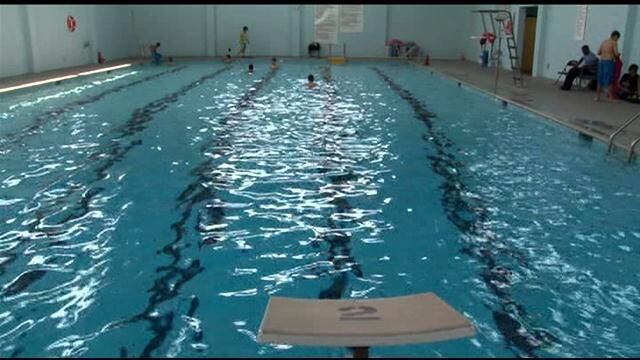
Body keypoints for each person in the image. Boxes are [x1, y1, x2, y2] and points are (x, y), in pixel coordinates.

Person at [595, 30, 621, 101]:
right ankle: (611, 97)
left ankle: (597, 96)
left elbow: (598, 52)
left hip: (601, 61)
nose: (617, 39)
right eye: (617, 38)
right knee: (609, 79)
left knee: (600, 79)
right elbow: (616, 53)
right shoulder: (614, 42)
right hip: (609, 62)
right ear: (615, 36)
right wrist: (618, 54)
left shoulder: (604, 42)